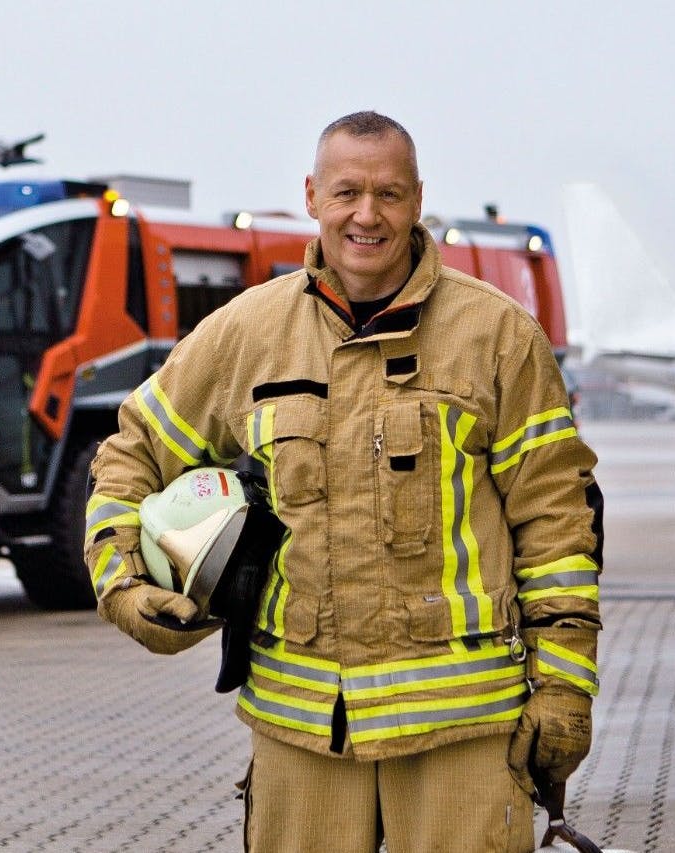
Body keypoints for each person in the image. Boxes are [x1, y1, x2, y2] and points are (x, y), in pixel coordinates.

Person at [84, 111, 603, 853]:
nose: (367, 214)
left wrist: (564, 685)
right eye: (347, 192)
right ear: (312, 196)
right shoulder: (248, 332)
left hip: (462, 734)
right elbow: (132, 451)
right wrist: (122, 583)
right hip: (302, 738)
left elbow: (557, 523)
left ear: (417, 200)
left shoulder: (497, 336)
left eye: (389, 194)